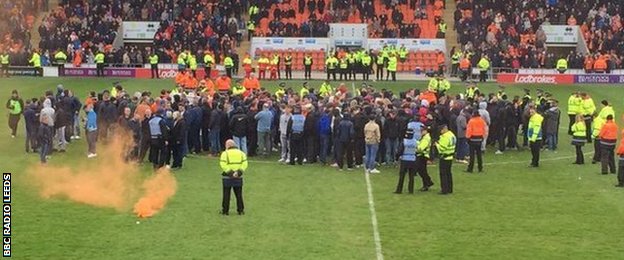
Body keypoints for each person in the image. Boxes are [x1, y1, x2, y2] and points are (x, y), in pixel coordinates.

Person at [219, 139, 248, 215]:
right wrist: (239, 172)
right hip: (238, 177)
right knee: (239, 194)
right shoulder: (241, 153)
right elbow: (245, 163)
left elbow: (223, 164)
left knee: (226, 194)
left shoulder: (225, 154)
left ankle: (225, 211)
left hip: (227, 177)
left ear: (227, 146)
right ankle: (240, 210)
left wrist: (230, 173)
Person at [395, 128, 417, 194]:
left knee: (402, 176)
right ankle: (411, 190)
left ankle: (399, 190)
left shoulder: (404, 141)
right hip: (413, 159)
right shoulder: (415, 141)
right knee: (411, 176)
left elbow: (399, 151)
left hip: (405, 159)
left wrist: (397, 158)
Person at [436, 124, 456, 194]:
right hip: (450, 156)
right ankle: (450, 189)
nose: (440, 132)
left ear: (444, 129)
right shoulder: (452, 135)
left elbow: (441, 149)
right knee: (448, 173)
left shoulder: (445, 137)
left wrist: (437, 144)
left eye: (441, 130)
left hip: (444, 157)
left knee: (443, 174)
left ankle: (444, 190)